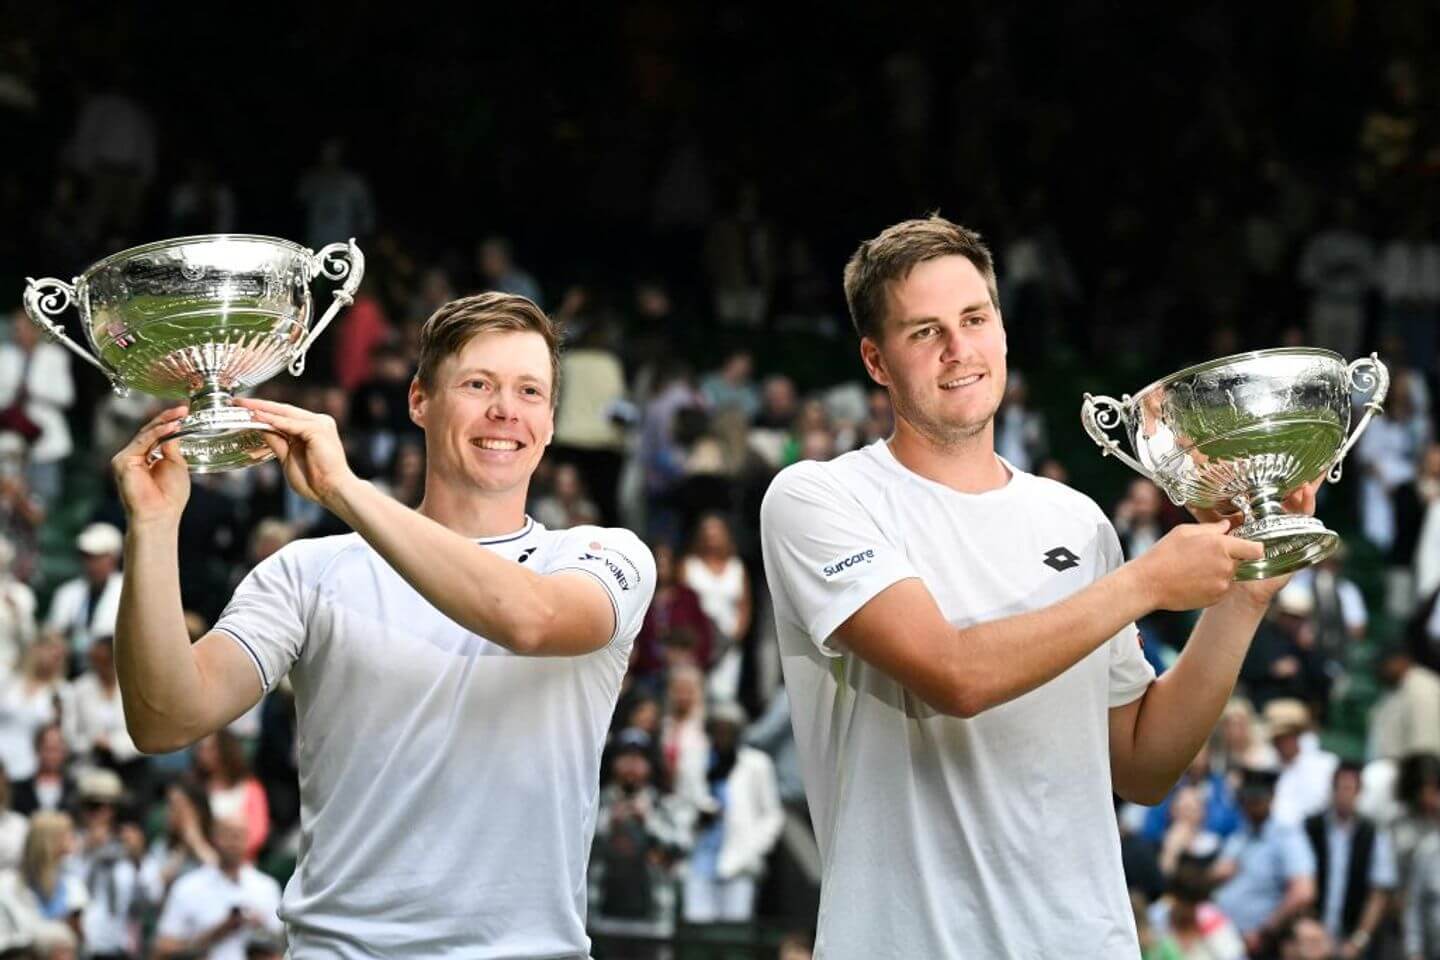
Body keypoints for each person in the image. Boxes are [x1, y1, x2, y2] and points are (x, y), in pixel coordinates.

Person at [759, 216, 1317, 958]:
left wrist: (1241, 598)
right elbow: (954, 676)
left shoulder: (1076, 520)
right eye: (924, 332)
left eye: (974, 319)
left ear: (1003, 331)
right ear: (876, 360)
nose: (959, 350)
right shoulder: (819, 498)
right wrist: (1146, 581)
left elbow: (1145, 764)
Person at [113, 292, 655, 957]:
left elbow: (531, 620)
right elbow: (166, 717)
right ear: (419, 401)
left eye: (530, 391)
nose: (505, 411)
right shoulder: (309, 570)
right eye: (478, 384)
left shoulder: (603, 556)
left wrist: (344, 489)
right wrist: (153, 525)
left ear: (548, 421)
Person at [1212, 768, 1317, 957]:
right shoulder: (1239, 835)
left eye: (1256, 799)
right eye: (1246, 799)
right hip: (1224, 939)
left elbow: (1303, 892)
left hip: (1260, 944)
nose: (1250, 805)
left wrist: (1265, 930)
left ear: (1270, 798)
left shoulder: (1286, 837)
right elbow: (1218, 875)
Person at [153, 814, 283, 960]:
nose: (233, 842)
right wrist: (217, 932)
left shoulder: (267, 887)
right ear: (213, 838)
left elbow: (281, 946)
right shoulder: (187, 887)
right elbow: (162, 949)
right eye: (227, 835)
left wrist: (261, 927)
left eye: (239, 835)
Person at [1301, 762, 1395, 958]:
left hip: (1351, 936)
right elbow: (1301, 880)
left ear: (1359, 792)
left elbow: (1378, 893)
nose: (1344, 794)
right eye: (1339, 788)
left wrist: (1359, 939)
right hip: (1313, 933)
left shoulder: (1372, 833)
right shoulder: (1311, 827)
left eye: (1349, 788)